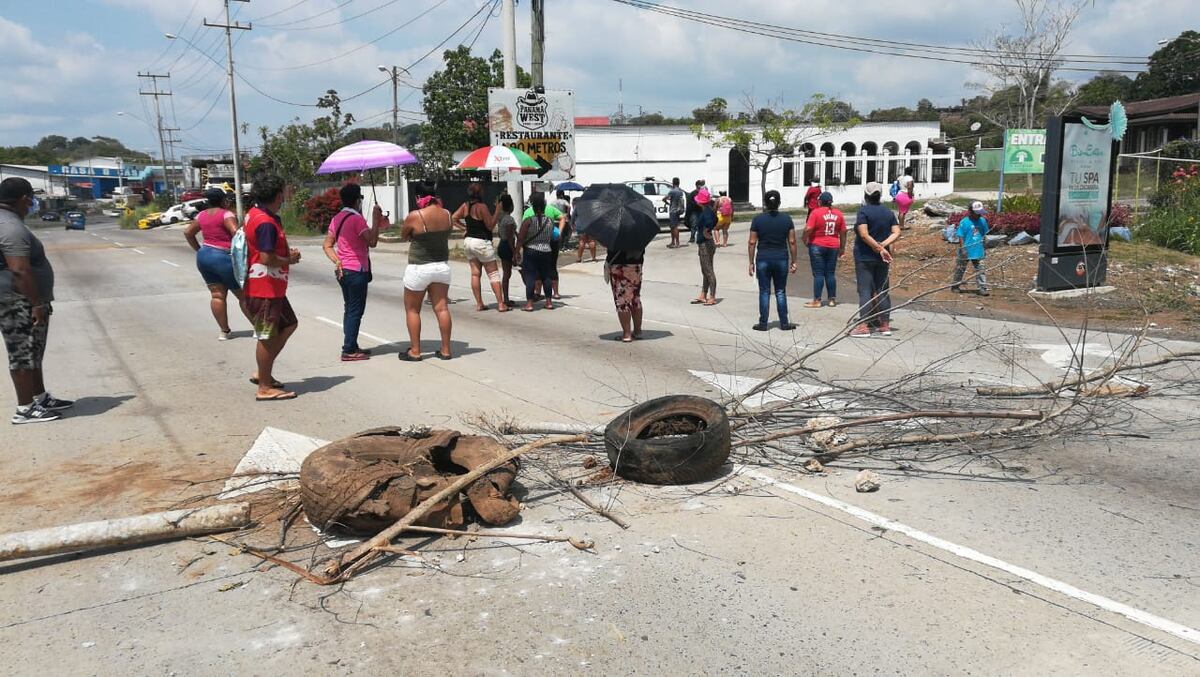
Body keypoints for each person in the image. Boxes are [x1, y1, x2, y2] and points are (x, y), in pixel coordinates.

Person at [0, 178, 72, 423]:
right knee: (22, 352)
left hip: (21, 299)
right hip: (17, 300)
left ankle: (39, 398)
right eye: (31, 198)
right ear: (23, 199)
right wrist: (36, 303)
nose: (32, 203)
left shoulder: (9, 222)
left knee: (33, 351)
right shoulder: (9, 226)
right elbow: (20, 269)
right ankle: (25, 408)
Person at [243, 175, 301, 400]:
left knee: (289, 324)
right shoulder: (265, 223)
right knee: (266, 336)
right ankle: (264, 387)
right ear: (278, 195)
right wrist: (290, 260)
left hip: (271, 287)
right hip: (264, 288)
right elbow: (266, 258)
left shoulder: (256, 214)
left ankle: (263, 372)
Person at [322, 183, 383, 362]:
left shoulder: (337, 218)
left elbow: (327, 245)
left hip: (343, 271)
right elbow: (372, 242)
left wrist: (337, 260)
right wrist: (375, 220)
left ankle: (352, 344)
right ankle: (348, 349)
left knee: (350, 309)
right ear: (357, 200)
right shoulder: (357, 220)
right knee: (355, 311)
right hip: (357, 270)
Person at [397, 183, 454, 361]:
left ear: (418, 197)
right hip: (441, 267)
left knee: (413, 310)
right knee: (442, 308)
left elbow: (404, 236)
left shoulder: (415, 216)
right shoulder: (446, 214)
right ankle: (445, 350)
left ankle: (415, 351)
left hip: (419, 267)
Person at [184, 188, 249, 340]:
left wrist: (199, 250)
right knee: (244, 296)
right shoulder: (226, 214)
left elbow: (188, 233)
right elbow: (236, 234)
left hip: (204, 256)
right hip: (223, 256)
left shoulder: (201, 215)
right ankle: (258, 329)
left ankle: (224, 331)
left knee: (217, 295)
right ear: (223, 200)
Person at [850, 182, 901, 338]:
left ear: (866, 195)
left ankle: (863, 326)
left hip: (865, 257)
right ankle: (885, 325)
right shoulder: (888, 213)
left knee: (865, 290)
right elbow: (897, 232)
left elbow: (864, 235)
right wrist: (883, 246)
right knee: (882, 290)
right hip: (882, 258)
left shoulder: (863, 212)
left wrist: (878, 247)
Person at [451, 183, 508, 312]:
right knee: (493, 274)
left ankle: (479, 303)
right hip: (481, 242)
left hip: (468, 241)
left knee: (475, 274)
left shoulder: (465, 205)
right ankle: (500, 304)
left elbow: (453, 218)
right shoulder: (482, 207)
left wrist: (465, 228)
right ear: (480, 193)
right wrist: (498, 211)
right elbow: (490, 226)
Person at [747, 190, 798, 331]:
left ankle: (763, 323)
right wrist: (794, 261)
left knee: (764, 291)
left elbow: (752, 242)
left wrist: (751, 262)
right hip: (781, 258)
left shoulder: (757, 220)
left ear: (765, 203)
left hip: (763, 258)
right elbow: (792, 241)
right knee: (780, 291)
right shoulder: (787, 219)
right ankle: (784, 322)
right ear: (779, 203)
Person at [802, 191, 847, 308]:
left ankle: (817, 300)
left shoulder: (815, 213)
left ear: (820, 201)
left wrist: (804, 238)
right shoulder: (838, 214)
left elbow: (808, 228)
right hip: (833, 245)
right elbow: (843, 232)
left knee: (819, 274)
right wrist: (842, 247)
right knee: (830, 273)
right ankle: (832, 299)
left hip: (817, 244)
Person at [516, 191, 559, 311]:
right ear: (545, 207)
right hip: (546, 251)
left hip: (531, 251)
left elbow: (520, 238)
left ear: (533, 207)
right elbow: (551, 236)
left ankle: (529, 304)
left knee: (530, 276)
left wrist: (516, 251)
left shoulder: (528, 221)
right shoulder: (550, 221)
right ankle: (549, 302)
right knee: (546, 276)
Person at [605, 246, 644, 342]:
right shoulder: (638, 231)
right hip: (636, 263)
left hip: (618, 265)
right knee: (635, 298)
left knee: (622, 301)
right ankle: (637, 331)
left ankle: (627, 334)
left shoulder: (615, 232)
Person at [952, 201, 990, 296]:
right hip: (966, 249)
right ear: (970, 212)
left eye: (980, 213)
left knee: (981, 269)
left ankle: (982, 288)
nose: (978, 215)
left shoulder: (983, 221)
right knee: (960, 269)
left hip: (978, 249)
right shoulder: (964, 222)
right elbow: (960, 236)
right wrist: (963, 248)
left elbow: (984, 234)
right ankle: (955, 285)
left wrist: (984, 247)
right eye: (976, 213)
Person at [691, 188, 718, 306]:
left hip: (705, 244)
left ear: (700, 202)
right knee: (705, 270)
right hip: (707, 243)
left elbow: (709, 223)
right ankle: (703, 294)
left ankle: (712, 296)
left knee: (708, 270)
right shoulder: (709, 210)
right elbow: (716, 220)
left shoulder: (706, 212)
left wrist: (707, 231)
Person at [494, 194, 518, 306]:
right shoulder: (509, 219)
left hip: (502, 245)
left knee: (506, 273)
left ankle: (506, 298)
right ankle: (506, 298)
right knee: (508, 273)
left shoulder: (501, 218)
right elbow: (509, 237)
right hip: (507, 245)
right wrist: (515, 251)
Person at [664, 177, 686, 248]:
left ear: (673, 183)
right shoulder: (680, 191)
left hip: (673, 210)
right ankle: (673, 242)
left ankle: (677, 243)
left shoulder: (672, 191)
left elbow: (664, 198)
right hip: (678, 210)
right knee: (673, 226)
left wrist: (667, 202)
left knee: (674, 227)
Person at [685, 179, 705, 245]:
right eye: (700, 185)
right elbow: (690, 203)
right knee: (694, 225)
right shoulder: (693, 193)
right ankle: (692, 238)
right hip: (695, 212)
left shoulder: (703, 192)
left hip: (701, 211)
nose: (701, 186)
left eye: (702, 185)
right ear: (697, 185)